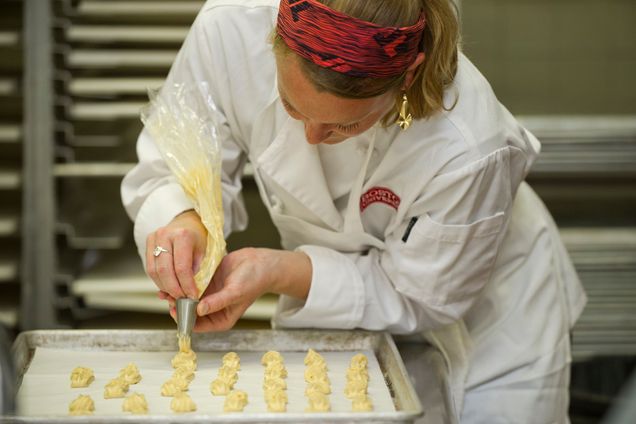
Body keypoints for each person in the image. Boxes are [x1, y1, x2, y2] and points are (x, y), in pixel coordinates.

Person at [121, 0, 587, 422]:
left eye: (346, 123)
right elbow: (172, 159)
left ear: (408, 76)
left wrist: (278, 271)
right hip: (337, 304)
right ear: (272, 43)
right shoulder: (230, 31)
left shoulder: (469, 143)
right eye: (290, 106)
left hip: (488, 325)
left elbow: (421, 296)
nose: (311, 138)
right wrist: (184, 218)